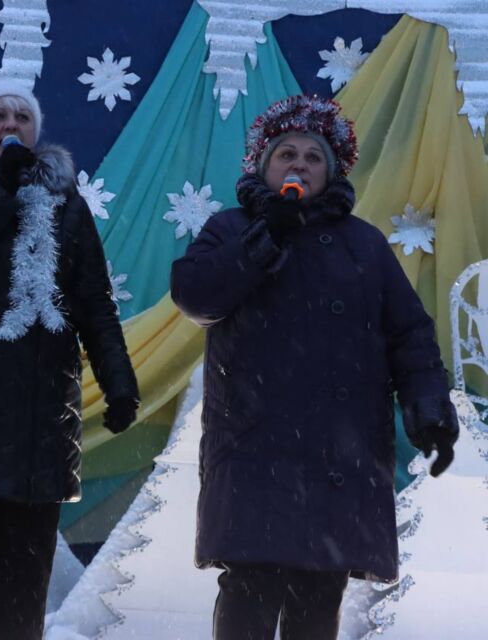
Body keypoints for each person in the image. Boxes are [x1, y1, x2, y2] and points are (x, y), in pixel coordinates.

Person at [171, 94, 459, 640]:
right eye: (287, 154)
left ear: (330, 173)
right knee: (248, 588)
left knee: (318, 596)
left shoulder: (365, 246)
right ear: (264, 165)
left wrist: (429, 411)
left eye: (312, 157)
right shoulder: (231, 228)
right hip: (254, 446)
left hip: (339, 453)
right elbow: (196, 295)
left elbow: (411, 337)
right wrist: (265, 239)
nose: (299, 164)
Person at [0, 78, 140, 640]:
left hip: (39, 421)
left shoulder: (67, 206)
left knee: (22, 593)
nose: (11, 124)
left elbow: (93, 300)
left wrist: (119, 382)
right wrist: (1, 191)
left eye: (22, 116)